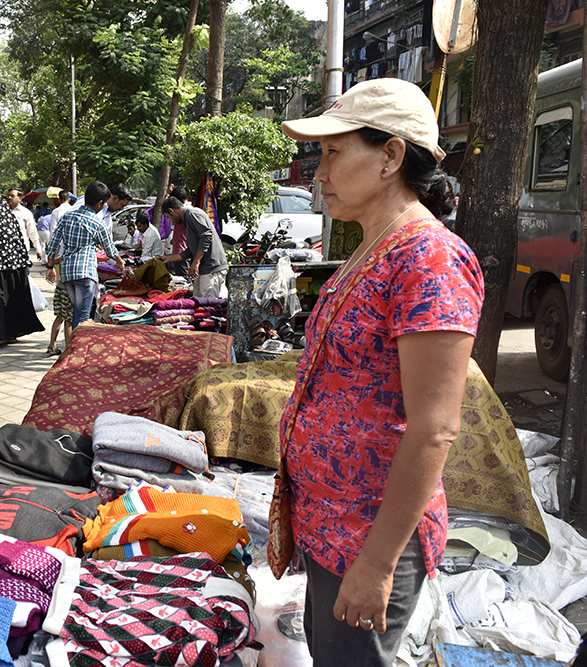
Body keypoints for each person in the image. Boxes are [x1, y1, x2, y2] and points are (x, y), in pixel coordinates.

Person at [275, 78, 484, 666]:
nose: (318, 172)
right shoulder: (373, 247)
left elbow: (434, 428)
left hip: (369, 533)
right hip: (330, 522)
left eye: (333, 152)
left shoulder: (429, 258)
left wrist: (378, 562)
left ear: (390, 155)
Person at [45, 181, 128, 329]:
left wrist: (50, 267)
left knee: (75, 312)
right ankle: (78, 349)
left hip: (67, 273)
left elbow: (52, 246)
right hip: (85, 273)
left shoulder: (66, 217)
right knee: (82, 315)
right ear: (100, 203)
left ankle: (73, 347)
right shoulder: (97, 222)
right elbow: (109, 249)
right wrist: (120, 262)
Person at [0, 186, 45, 348]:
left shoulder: (8, 216)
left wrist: (26, 263)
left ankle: (10, 333)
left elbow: (18, 240)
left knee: (12, 300)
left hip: (13, 265)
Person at [158, 197, 228, 298]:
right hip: (205, 269)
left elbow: (206, 236)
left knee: (208, 305)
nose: (172, 221)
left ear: (171, 211)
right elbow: (191, 251)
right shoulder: (186, 219)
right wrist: (169, 258)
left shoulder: (192, 214)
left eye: (169, 217)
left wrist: (195, 263)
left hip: (212, 268)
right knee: (198, 300)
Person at [6, 187, 43, 261]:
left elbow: (32, 232)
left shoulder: (26, 213)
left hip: (21, 251)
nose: (9, 198)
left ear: (20, 198)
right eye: (8, 195)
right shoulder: (3, 212)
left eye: (12, 196)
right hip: (5, 251)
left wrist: (38, 250)